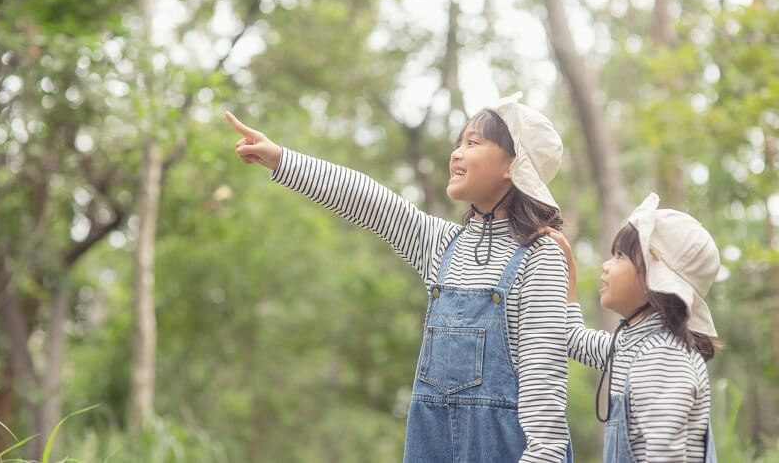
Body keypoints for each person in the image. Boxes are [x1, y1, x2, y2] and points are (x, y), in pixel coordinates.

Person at [225, 93, 573, 462]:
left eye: (472, 143)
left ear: (513, 166)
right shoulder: (443, 244)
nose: (456, 152)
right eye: (458, 142)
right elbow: (369, 201)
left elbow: (543, 387)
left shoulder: (541, 256)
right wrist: (282, 159)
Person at [548, 193, 719, 462]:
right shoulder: (633, 346)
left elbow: (665, 457)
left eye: (619, 256)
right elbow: (572, 339)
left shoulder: (662, 356)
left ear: (655, 279)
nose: (606, 265)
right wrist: (566, 264)